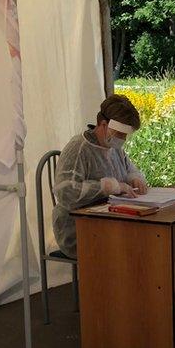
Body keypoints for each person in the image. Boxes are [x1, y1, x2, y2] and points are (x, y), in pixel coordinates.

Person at [52, 95, 148, 258]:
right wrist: (106, 187)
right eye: (120, 134)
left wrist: (134, 178)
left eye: (125, 135)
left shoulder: (114, 148)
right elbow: (65, 191)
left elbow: (129, 169)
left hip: (109, 220)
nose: (122, 140)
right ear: (104, 125)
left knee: (144, 238)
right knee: (132, 246)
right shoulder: (79, 148)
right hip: (77, 229)